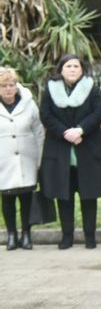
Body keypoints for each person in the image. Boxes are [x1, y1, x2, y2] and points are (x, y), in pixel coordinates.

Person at [39, 54, 101, 250]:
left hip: (87, 148)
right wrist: (65, 132)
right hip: (60, 149)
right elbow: (45, 114)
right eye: (68, 66)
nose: (72, 69)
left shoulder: (91, 88)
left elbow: (98, 112)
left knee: (89, 197)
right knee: (65, 197)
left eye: (76, 66)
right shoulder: (51, 90)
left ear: (82, 69)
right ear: (61, 69)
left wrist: (80, 130)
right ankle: (67, 237)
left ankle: (90, 237)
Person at [0, 67, 44, 250]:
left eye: (11, 85)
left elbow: (39, 131)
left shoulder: (29, 104)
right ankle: (11, 234)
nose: (8, 89)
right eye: (4, 86)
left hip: (27, 156)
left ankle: (26, 234)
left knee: (26, 197)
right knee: (7, 198)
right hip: (4, 159)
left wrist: (39, 158)